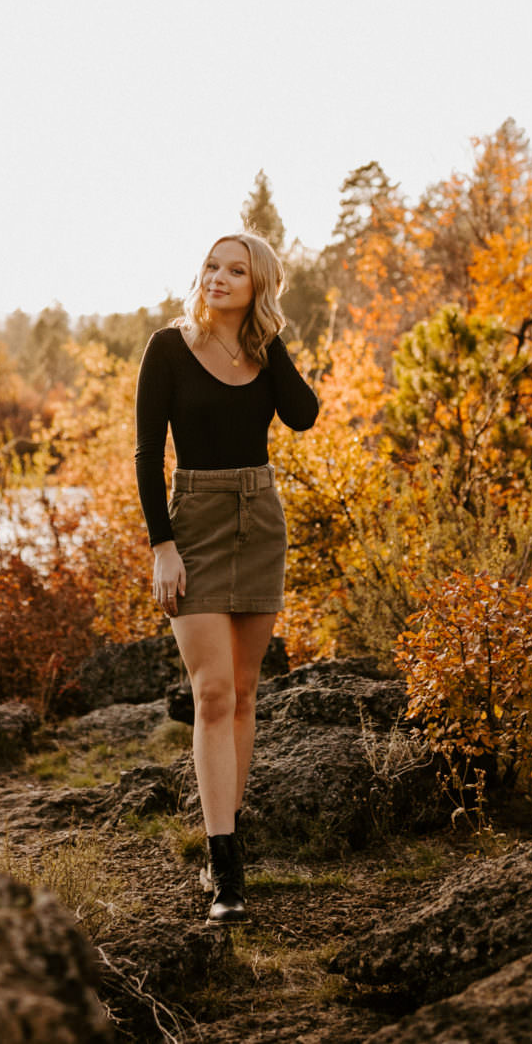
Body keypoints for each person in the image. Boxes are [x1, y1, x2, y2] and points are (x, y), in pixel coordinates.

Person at [134, 231, 319, 923]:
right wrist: (163, 544)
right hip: (197, 522)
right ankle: (224, 869)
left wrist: (271, 341)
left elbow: (302, 415)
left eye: (235, 270)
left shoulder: (264, 353)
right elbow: (147, 453)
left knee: (244, 691)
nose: (217, 277)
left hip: (260, 518)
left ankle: (229, 832)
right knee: (211, 692)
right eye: (212, 265)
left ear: (257, 285)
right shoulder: (167, 348)